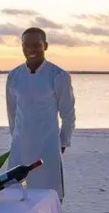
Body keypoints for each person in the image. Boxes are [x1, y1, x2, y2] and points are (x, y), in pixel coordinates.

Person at [5, 27, 75, 199]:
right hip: (20, 145)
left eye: (36, 45)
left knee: (50, 195)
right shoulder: (14, 76)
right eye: (26, 45)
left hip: (48, 146)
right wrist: (15, 136)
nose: (30, 50)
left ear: (45, 46)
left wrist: (64, 140)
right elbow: (12, 112)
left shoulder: (58, 76)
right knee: (15, 195)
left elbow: (68, 113)